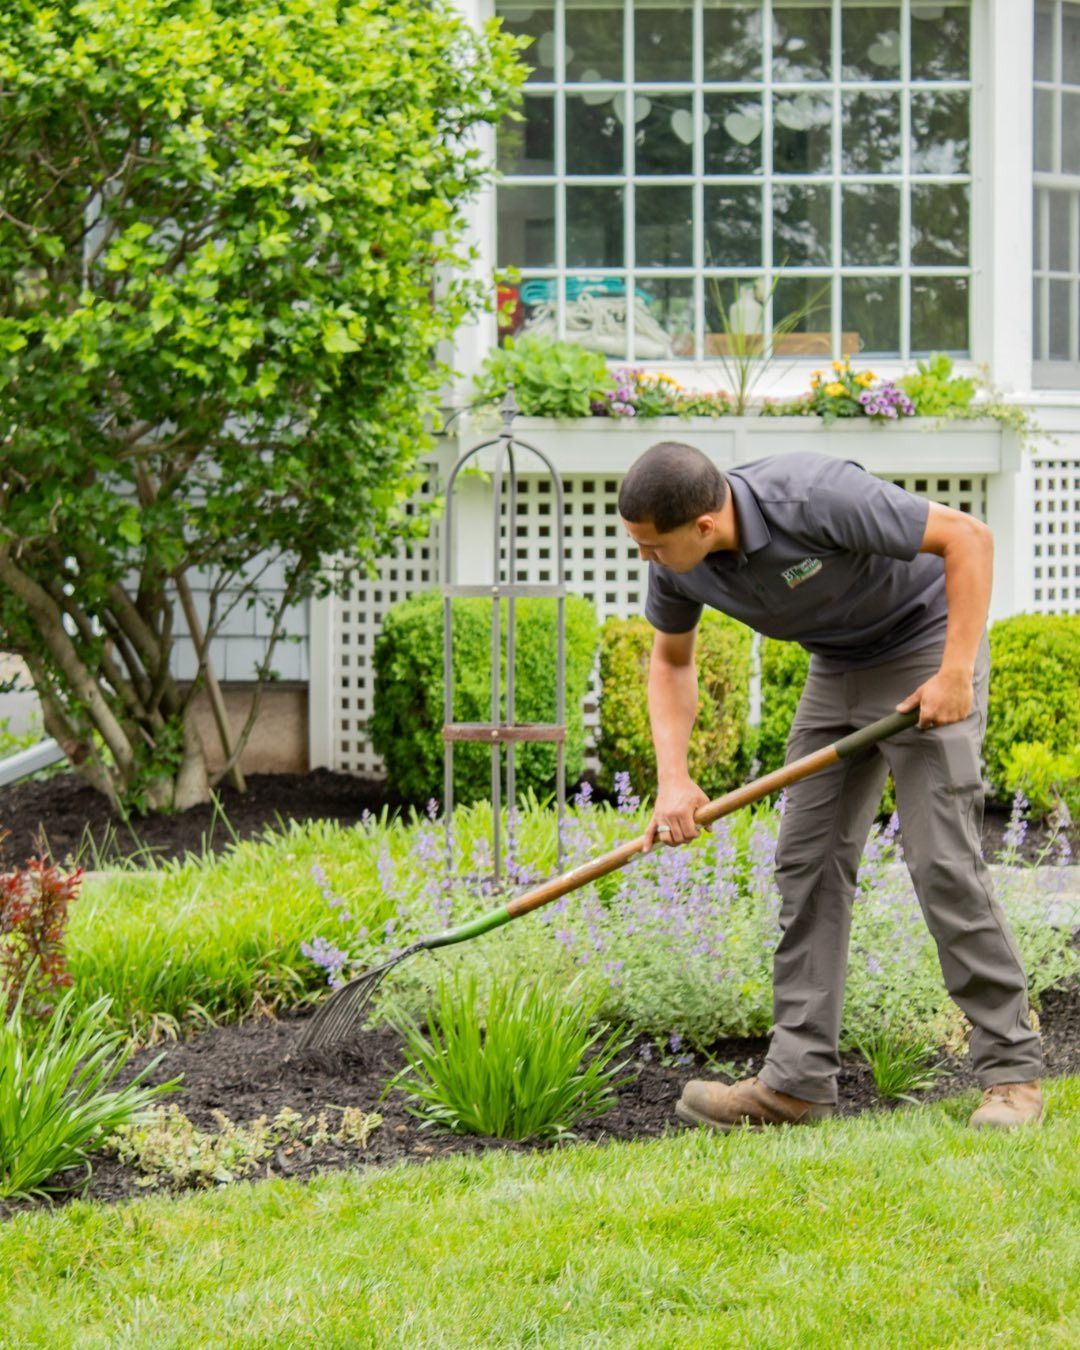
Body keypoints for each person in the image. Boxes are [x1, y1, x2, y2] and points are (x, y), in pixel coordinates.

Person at [618, 442, 1043, 1132]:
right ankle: (796, 1083)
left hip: (923, 645)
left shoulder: (810, 495)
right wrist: (673, 779)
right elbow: (670, 661)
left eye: (652, 547)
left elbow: (968, 537)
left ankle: (1012, 1073)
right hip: (837, 668)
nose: (645, 560)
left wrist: (956, 671)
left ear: (702, 526)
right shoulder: (678, 567)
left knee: (941, 861)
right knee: (805, 865)